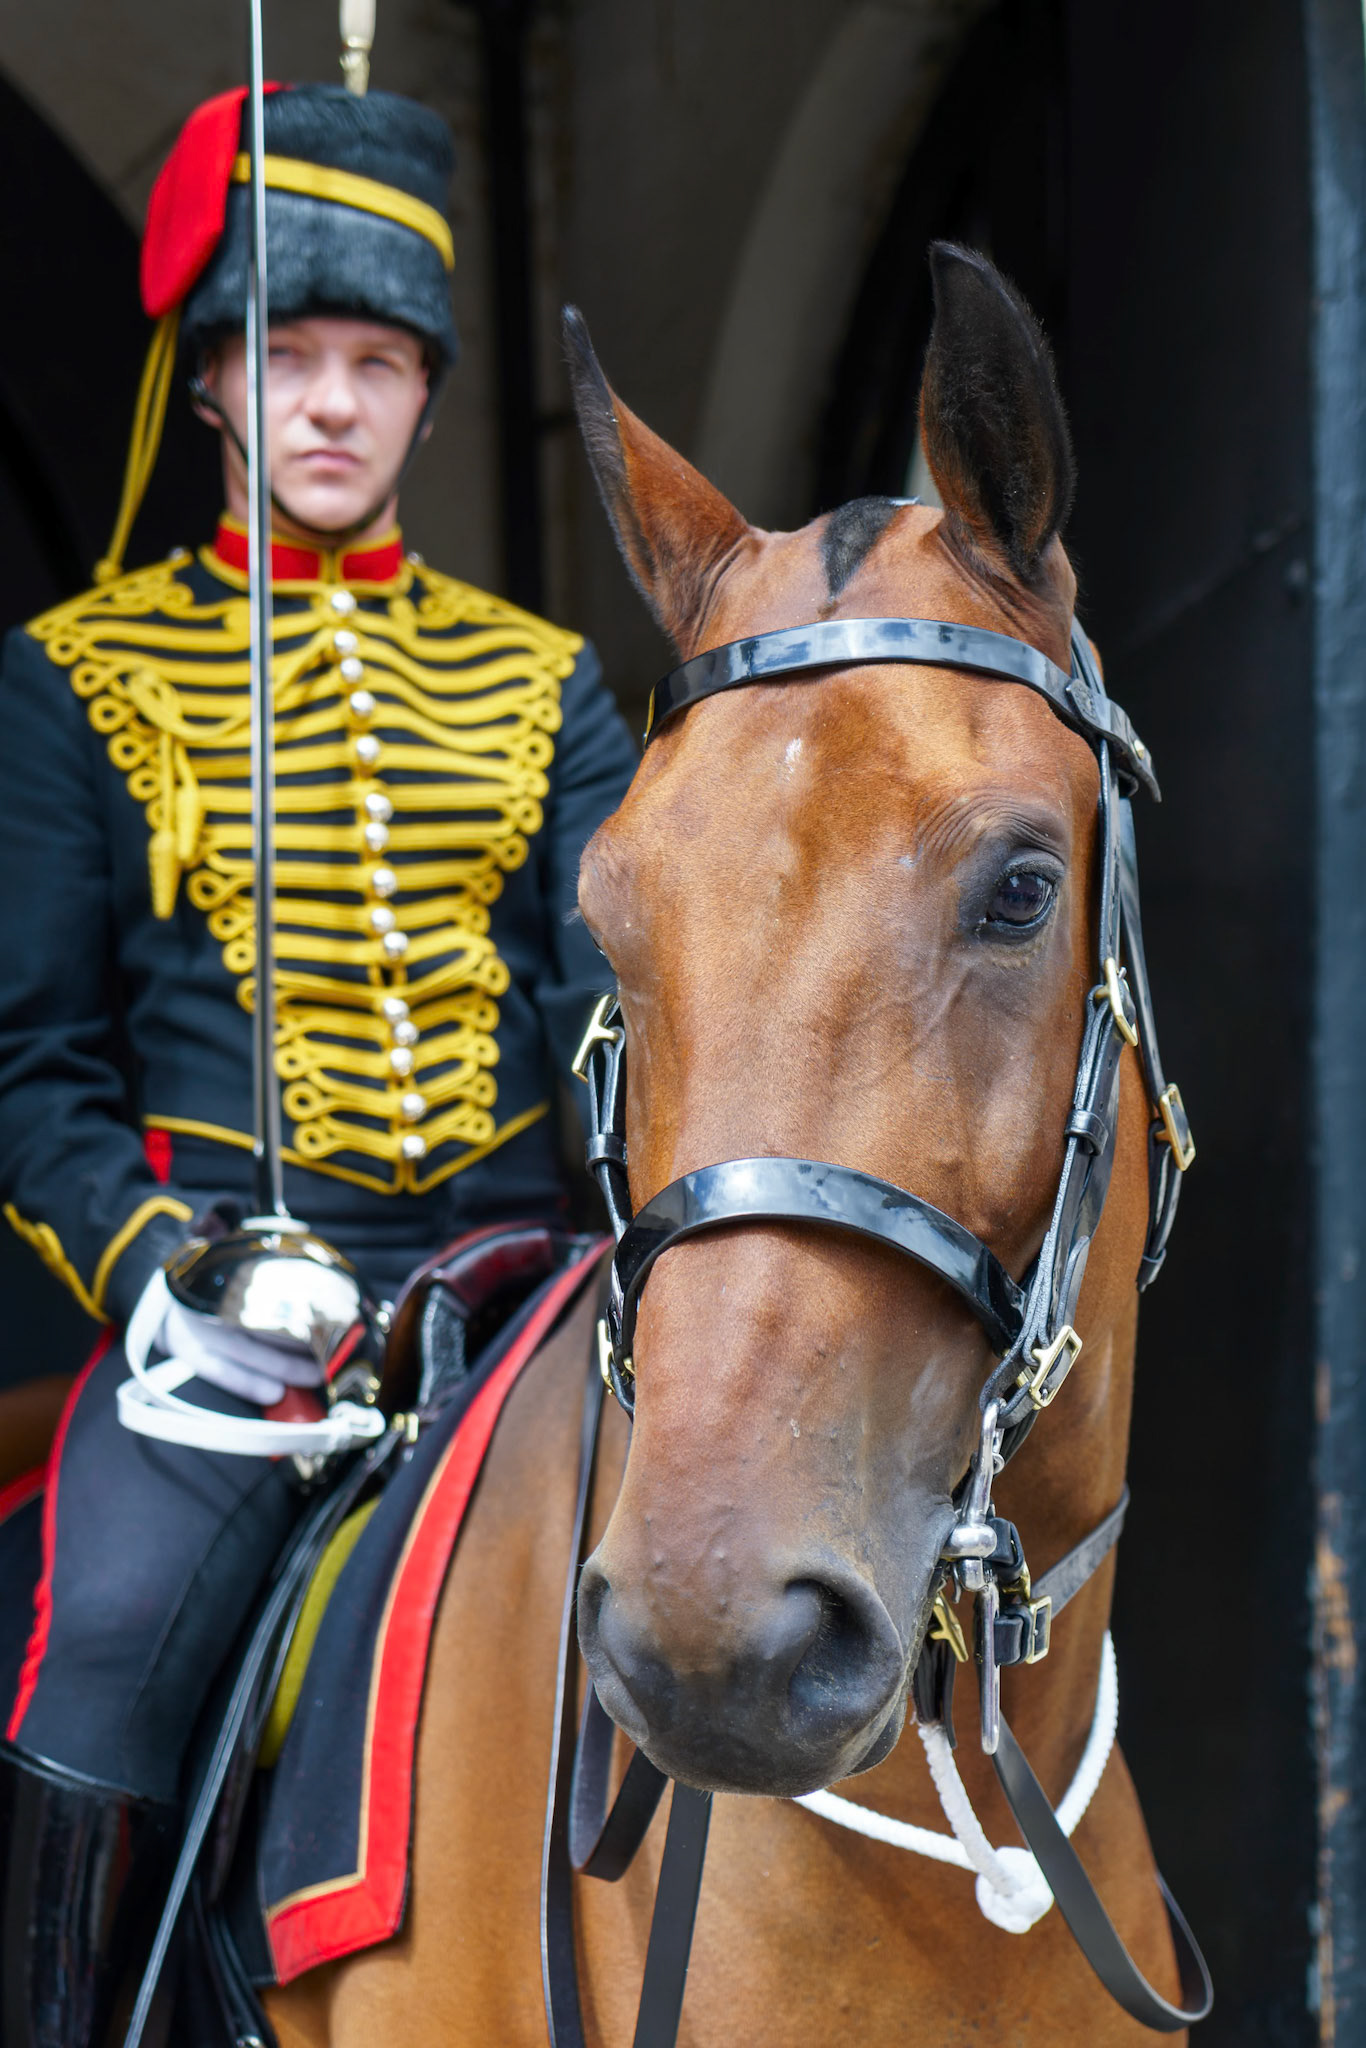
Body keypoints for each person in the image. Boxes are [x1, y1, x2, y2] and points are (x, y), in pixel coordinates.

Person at [0, 79, 635, 2045]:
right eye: (290, 358)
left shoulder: (548, 688)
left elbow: (612, 1004)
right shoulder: (77, 674)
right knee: (93, 1640)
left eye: (378, 363)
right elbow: (30, 1069)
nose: (334, 405)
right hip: (223, 1311)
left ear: (431, 396)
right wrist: (156, 1268)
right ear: (212, 385)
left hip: (521, 1285)